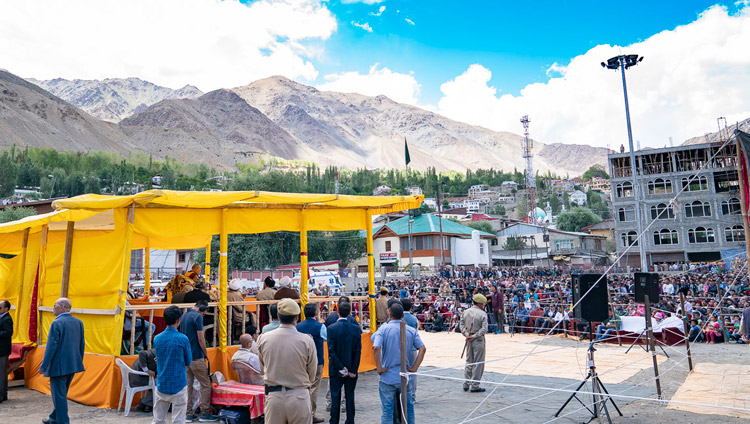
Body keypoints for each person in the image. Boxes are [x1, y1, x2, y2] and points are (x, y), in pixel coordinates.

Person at [257, 298, 317, 424]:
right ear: (297, 317)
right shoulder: (306, 341)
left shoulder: (263, 339)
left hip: (274, 397)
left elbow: (263, 368)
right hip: (299, 395)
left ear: (278, 316)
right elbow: (312, 372)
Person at [372, 302, 426, 424]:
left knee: (387, 410)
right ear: (402, 315)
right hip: (404, 375)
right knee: (409, 408)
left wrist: (379, 367)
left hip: (387, 376)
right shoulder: (411, 330)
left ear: (389, 314)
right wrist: (414, 368)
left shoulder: (383, 329)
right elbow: (422, 348)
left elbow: (376, 347)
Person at [40, 298, 85, 424]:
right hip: (73, 364)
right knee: (61, 394)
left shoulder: (56, 323)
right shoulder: (78, 322)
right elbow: (81, 344)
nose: (53, 307)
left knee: (59, 396)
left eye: (55, 305)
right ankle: (54, 418)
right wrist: (78, 361)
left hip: (58, 366)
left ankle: (63, 422)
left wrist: (44, 366)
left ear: (62, 307)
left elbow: (50, 347)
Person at [153, 306, 192, 424]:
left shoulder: (157, 338)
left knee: (158, 419)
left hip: (162, 383)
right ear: (178, 320)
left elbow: (160, 356)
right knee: (178, 419)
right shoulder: (183, 339)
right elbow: (188, 361)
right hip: (178, 383)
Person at [180, 300, 218, 422]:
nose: (204, 314)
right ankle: (205, 412)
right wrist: (205, 354)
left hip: (186, 357)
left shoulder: (184, 315)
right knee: (206, 384)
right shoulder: (197, 317)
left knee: (188, 386)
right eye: (205, 311)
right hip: (196, 356)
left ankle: (188, 413)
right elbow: (201, 338)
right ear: (202, 308)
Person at [327, 302, 362, 424]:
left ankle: (334, 421)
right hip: (351, 368)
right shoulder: (356, 329)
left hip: (336, 369)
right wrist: (352, 370)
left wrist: (342, 368)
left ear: (337, 312)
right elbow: (358, 352)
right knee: (350, 396)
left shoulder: (331, 329)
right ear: (350, 313)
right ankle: (350, 420)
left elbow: (331, 352)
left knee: (335, 396)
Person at [297, 303, 328, 423]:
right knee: (314, 388)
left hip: (301, 360)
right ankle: (311, 413)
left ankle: (301, 412)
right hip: (317, 360)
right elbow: (326, 338)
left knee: (301, 386)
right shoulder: (320, 326)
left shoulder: (297, 326)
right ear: (316, 313)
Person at [461, 294, 488, 393]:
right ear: (481, 303)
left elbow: (461, 325)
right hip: (478, 339)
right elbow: (484, 329)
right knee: (478, 362)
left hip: (468, 338)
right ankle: (475, 385)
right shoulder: (482, 314)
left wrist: (466, 335)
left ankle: (466, 383)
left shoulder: (466, 312)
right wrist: (474, 336)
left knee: (469, 361)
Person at [129, 348, 157, 413]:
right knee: (159, 385)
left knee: (158, 383)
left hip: (142, 377)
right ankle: (144, 404)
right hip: (137, 378)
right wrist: (146, 370)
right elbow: (141, 353)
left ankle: (147, 405)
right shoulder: (153, 353)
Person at [0, 300, 13, 403]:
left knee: (2, 373)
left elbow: (8, 332)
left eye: (0, 307)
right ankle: (3, 394)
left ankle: (1, 395)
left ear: (6, 309)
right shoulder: (2, 317)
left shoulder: (7, 319)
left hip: (3, 350)